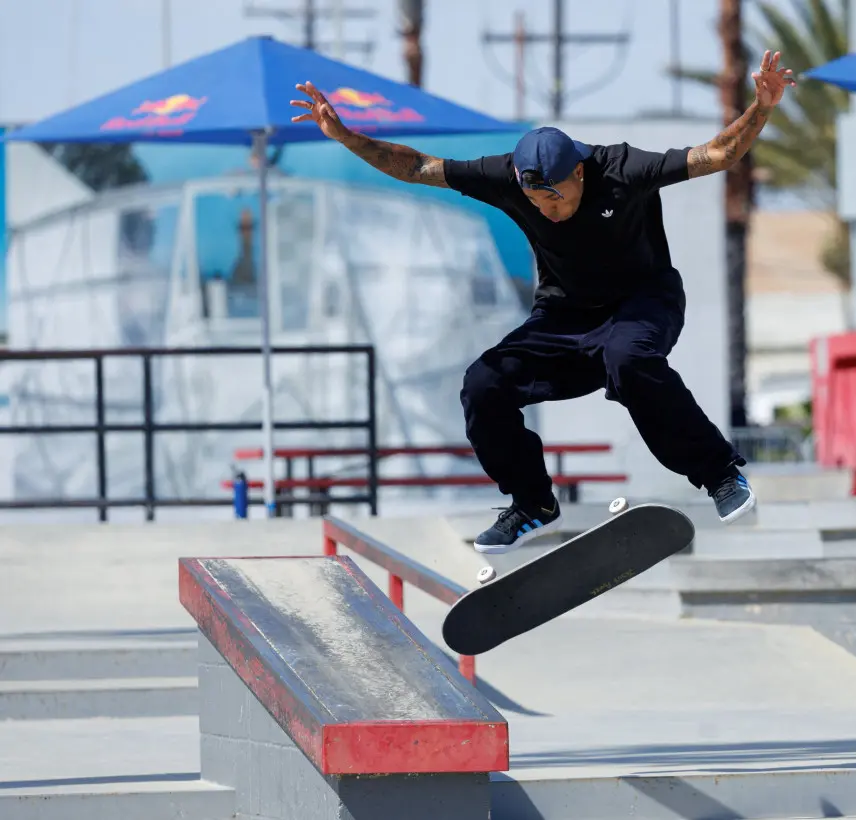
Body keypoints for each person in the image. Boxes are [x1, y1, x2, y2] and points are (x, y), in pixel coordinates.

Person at [291, 51, 795, 553]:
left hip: (643, 303)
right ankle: (533, 504)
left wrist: (762, 107)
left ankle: (720, 475)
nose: (549, 211)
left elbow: (716, 155)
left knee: (629, 357)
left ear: (578, 172)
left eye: (557, 198)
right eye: (537, 202)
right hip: (562, 318)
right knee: (484, 383)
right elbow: (419, 165)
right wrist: (348, 138)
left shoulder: (623, 167)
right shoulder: (506, 177)